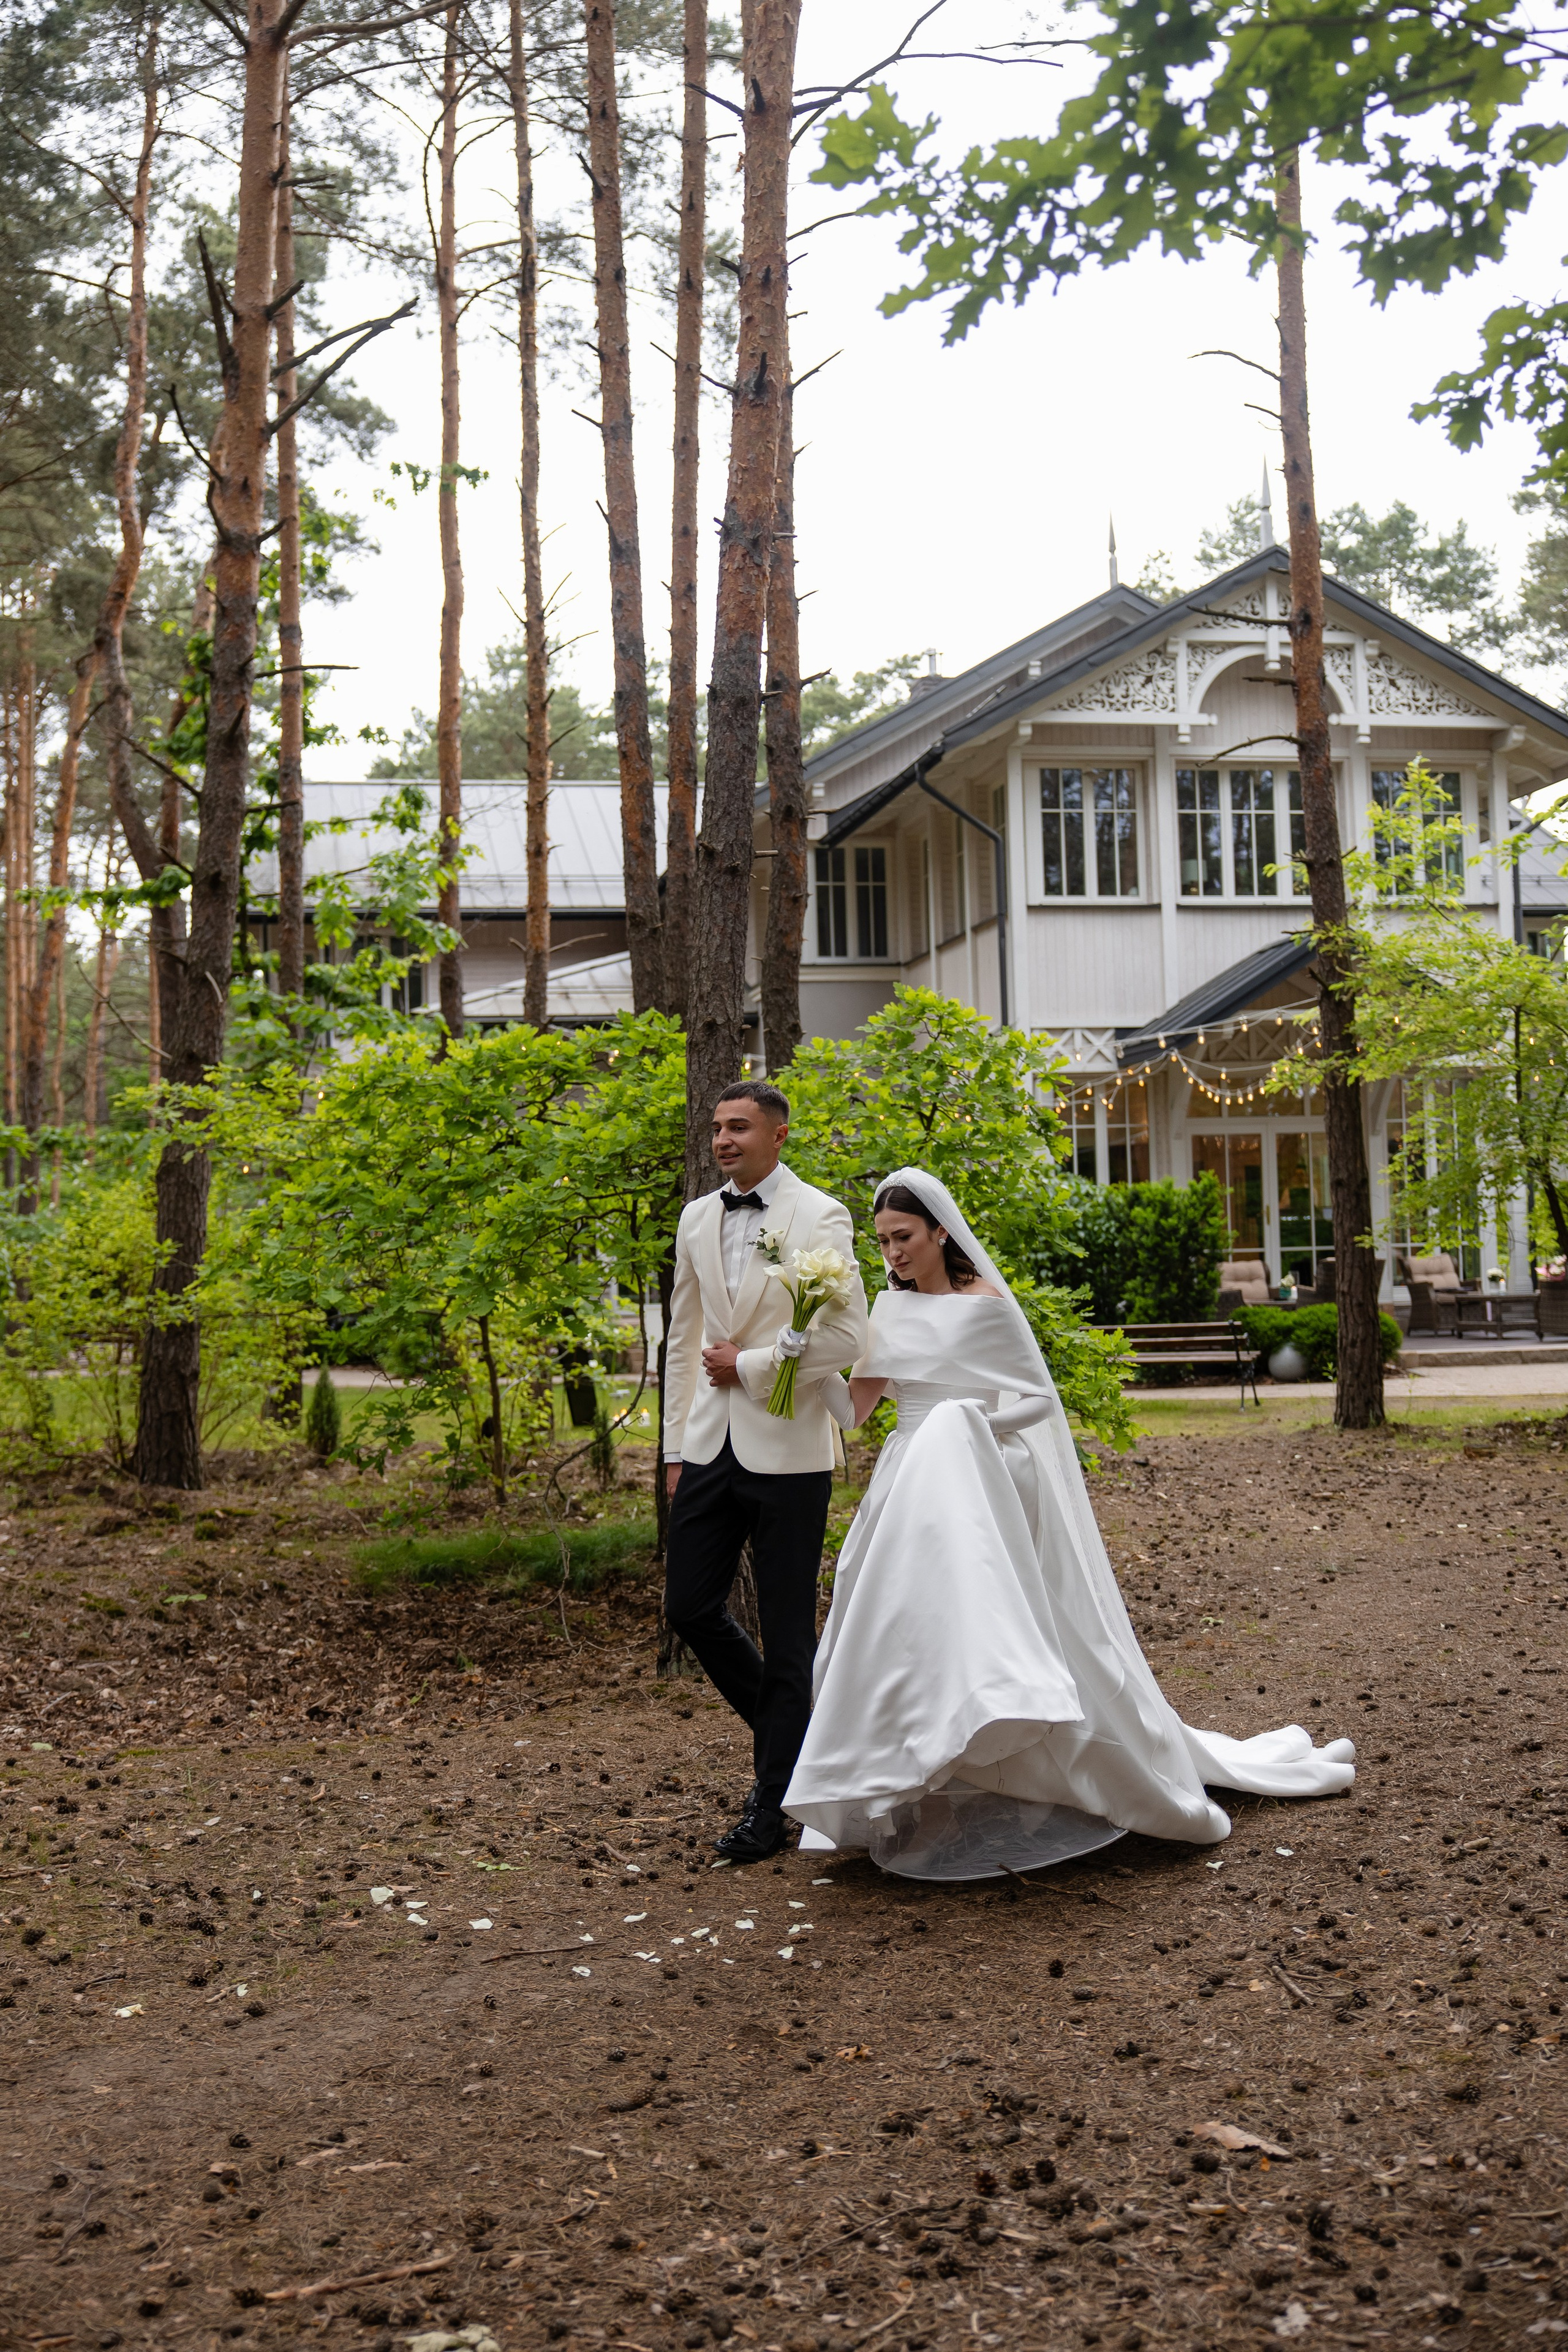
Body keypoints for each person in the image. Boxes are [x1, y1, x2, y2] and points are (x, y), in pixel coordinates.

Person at [782, 1167, 1355, 1880]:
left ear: (940, 1232)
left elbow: (1036, 1401)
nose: (892, 1253)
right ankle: (917, 1780)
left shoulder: (986, 1306)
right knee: (907, 1621)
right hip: (909, 1486)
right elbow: (853, 1415)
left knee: (1001, 1619)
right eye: (882, 1243)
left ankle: (1044, 1758)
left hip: (983, 1477)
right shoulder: (887, 1314)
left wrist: (974, 1423)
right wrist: (806, 1360)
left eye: (903, 1237)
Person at [662, 1081, 869, 1863]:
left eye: (739, 1127)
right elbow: (683, 1339)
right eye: (717, 1127)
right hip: (707, 1447)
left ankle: (773, 1801)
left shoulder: (820, 1215)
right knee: (689, 1607)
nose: (723, 1139)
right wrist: (674, 1450)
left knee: (786, 1632)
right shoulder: (696, 1217)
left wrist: (748, 1365)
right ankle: (800, 1740)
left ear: (778, 1135)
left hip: (788, 1450)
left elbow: (847, 1336)